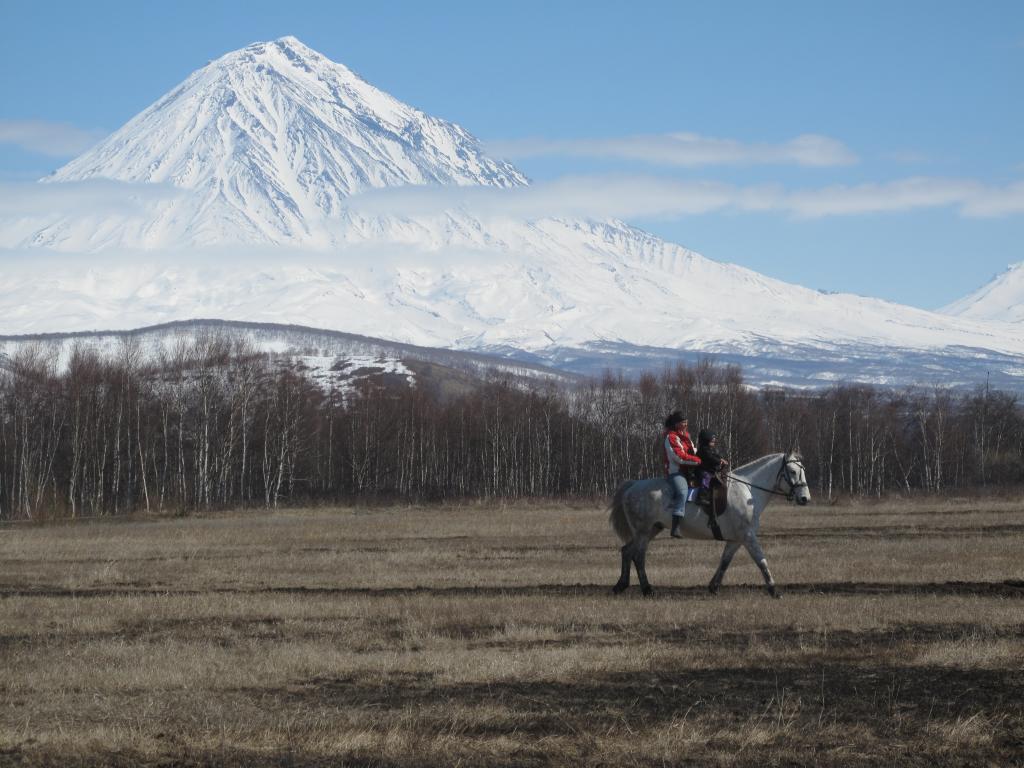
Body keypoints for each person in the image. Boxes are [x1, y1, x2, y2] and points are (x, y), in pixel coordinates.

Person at [662, 411, 700, 538]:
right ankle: (675, 527)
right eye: (683, 422)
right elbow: (679, 457)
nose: (685, 424)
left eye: (686, 422)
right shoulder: (671, 437)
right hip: (676, 472)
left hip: (689, 469)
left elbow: (693, 450)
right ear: (676, 424)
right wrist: (699, 461)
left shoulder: (686, 436)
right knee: (683, 491)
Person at [696, 429, 730, 507]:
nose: (714, 442)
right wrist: (719, 461)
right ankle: (701, 496)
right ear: (706, 440)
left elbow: (715, 455)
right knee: (706, 477)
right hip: (702, 470)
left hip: (710, 470)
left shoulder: (710, 449)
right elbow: (710, 457)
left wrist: (721, 459)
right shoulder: (704, 449)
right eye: (712, 440)